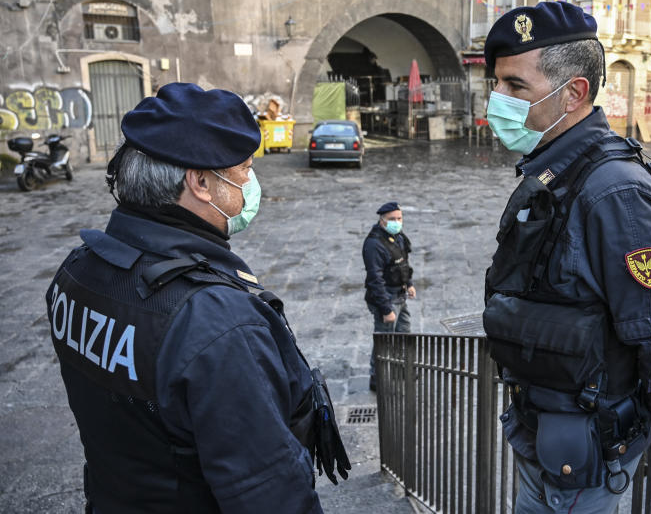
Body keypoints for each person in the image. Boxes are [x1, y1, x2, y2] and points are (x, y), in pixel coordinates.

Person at [45, 82, 348, 514]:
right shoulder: (218, 322)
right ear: (201, 182)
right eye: (244, 169)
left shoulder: (77, 270)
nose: (250, 183)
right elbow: (269, 492)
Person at [481, 2, 651, 513]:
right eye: (496, 84)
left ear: (574, 93)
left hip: (582, 452)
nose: (496, 100)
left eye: (515, 86)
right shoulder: (551, 171)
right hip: (541, 431)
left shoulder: (613, 192)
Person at [363, 201, 416, 392]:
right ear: (382, 220)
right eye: (392, 219)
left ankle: (402, 367)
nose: (397, 222)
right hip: (386, 299)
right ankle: (377, 377)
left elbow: (403, 263)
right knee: (384, 339)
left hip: (400, 295)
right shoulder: (374, 244)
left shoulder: (398, 237)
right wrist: (386, 309)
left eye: (399, 218)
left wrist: (408, 284)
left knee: (404, 333)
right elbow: (375, 279)